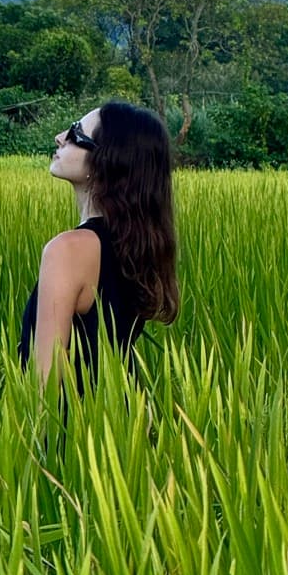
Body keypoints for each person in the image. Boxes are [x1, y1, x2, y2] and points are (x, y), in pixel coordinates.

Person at [18, 100, 179, 401]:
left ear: (106, 160)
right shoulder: (138, 248)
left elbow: (44, 382)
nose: (60, 137)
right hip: (121, 426)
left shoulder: (68, 251)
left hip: (71, 437)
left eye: (76, 133)